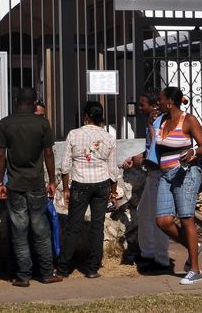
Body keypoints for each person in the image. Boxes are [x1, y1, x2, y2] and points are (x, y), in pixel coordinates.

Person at [0, 87, 63, 287]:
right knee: (41, 228)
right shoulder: (42, 123)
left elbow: (0, 155)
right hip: (36, 184)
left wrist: (0, 182)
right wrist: (51, 180)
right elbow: (49, 153)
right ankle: (47, 273)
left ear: (16, 100)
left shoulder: (6, 123)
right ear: (35, 101)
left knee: (19, 230)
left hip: (15, 184)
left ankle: (23, 275)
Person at [154, 87, 202, 285]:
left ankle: (195, 270)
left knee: (186, 219)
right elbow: (156, 150)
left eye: (160, 100)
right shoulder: (160, 121)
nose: (157, 103)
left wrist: (193, 152)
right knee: (162, 221)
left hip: (185, 174)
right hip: (166, 175)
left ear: (169, 101)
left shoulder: (188, 120)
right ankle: (193, 245)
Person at [57, 101, 118, 279]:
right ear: (101, 118)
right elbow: (113, 169)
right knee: (97, 226)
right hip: (102, 184)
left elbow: (65, 165)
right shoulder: (108, 137)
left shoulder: (74, 135)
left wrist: (65, 188)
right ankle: (92, 268)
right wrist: (113, 192)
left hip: (80, 183)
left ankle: (63, 268)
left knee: (72, 227)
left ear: (85, 116)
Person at [122, 91, 171, 274]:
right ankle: (149, 254)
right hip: (153, 175)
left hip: (159, 175)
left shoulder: (160, 123)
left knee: (159, 218)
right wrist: (136, 157)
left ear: (154, 106)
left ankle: (161, 259)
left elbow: (158, 149)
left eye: (143, 105)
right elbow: (149, 149)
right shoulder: (153, 123)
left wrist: (141, 160)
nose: (140, 108)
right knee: (144, 213)